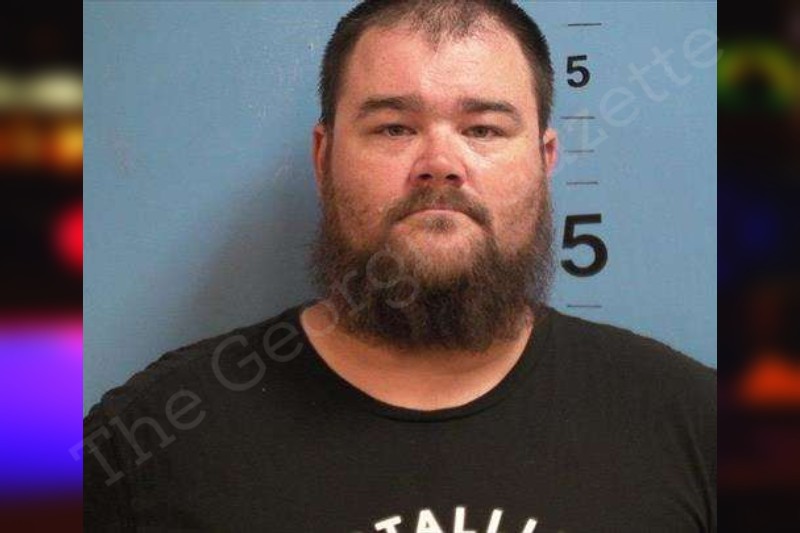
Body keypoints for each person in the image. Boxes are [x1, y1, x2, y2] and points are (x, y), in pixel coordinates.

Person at [84, 1, 716, 531]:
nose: (440, 164)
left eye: (484, 129)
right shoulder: (149, 440)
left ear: (545, 161)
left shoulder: (697, 427)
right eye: (393, 128)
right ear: (324, 157)